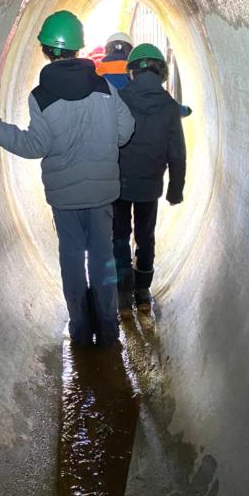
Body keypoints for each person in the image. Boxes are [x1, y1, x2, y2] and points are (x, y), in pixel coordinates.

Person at [0, 10, 134, 347]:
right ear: (78, 48)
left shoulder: (40, 96)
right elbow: (125, 131)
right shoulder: (104, 86)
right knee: (104, 261)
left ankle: (79, 328)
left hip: (65, 200)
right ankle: (108, 331)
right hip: (102, 192)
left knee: (73, 261)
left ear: (47, 49)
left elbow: (34, 145)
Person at [112, 43, 186, 314]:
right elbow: (177, 153)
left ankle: (122, 292)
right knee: (145, 235)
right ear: (161, 72)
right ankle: (142, 290)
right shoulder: (169, 106)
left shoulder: (118, 98)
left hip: (118, 183)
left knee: (118, 235)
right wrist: (175, 190)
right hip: (150, 185)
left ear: (132, 71)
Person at [97, 32, 193, 116]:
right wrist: (184, 110)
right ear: (131, 51)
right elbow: (159, 100)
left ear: (107, 50)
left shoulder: (97, 75)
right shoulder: (136, 74)